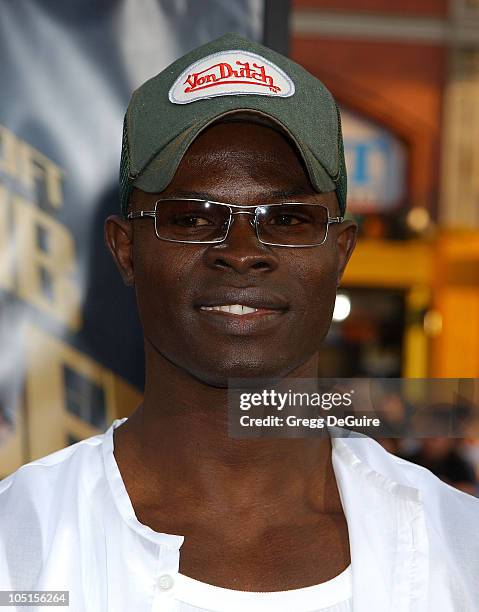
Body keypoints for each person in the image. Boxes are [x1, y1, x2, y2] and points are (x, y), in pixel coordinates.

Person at [1, 33, 478, 612]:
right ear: (126, 250)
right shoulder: (19, 548)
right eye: (194, 217)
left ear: (341, 253)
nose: (243, 249)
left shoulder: (460, 552)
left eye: (290, 218)